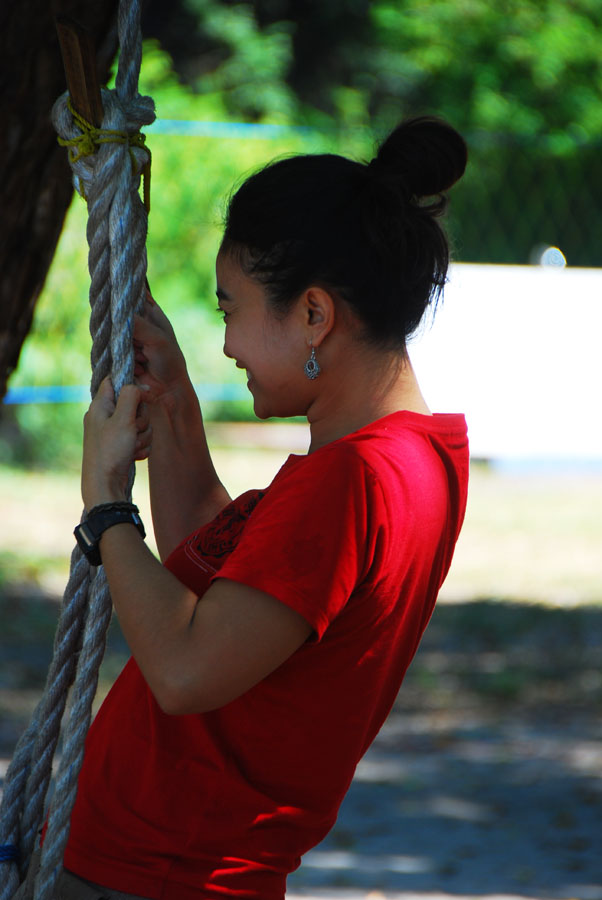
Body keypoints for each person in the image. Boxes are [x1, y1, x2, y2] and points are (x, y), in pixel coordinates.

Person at [58, 116, 469, 899]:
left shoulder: (351, 483)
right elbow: (221, 587)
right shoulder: (414, 459)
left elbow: (183, 669)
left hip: (158, 877)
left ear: (314, 316)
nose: (228, 345)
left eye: (230, 310)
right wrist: (174, 402)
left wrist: (107, 506)